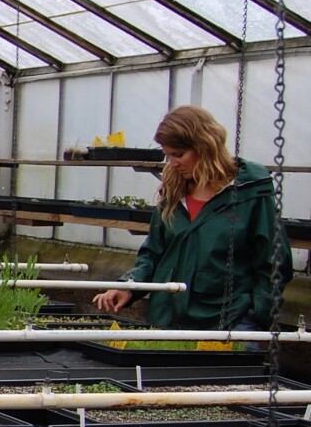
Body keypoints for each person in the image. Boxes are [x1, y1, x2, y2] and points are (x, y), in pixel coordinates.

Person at [92, 105, 293, 330]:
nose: (173, 163)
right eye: (169, 155)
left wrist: (256, 316)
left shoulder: (249, 192)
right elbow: (153, 253)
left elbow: (274, 261)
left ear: (205, 146)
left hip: (229, 322)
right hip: (168, 322)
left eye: (179, 154)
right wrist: (129, 286)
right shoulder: (174, 192)